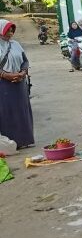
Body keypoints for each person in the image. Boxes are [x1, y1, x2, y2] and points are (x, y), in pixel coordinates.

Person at [0, 19, 34, 148]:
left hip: (19, 83)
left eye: (11, 30)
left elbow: (25, 61)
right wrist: (6, 75)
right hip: (3, 85)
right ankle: (11, 143)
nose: (10, 33)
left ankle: (25, 140)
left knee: (22, 110)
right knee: (7, 112)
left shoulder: (15, 44)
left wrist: (23, 72)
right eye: (7, 30)